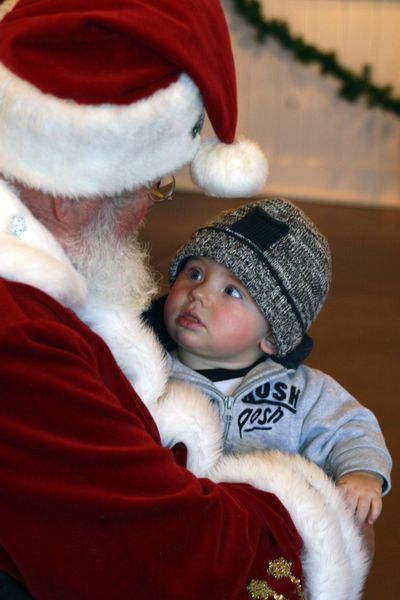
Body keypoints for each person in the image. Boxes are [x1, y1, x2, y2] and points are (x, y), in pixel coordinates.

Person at [0, 1, 370, 599]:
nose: (150, 209)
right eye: (155, 184)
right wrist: (316, 526)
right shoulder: (20, 338)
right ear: (77, 192)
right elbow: (167, 562)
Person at [156, 198, 392, 528]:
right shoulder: (149, 376)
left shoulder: (305, 393)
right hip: (173, 528)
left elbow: (350, 428)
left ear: (272, 337)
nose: (199, 294)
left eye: (231, 291)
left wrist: (361, 473)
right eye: (194, 273)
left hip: (267, 541)